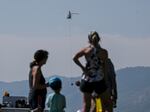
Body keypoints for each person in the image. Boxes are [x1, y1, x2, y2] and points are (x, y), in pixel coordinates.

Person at [73, 31, 108, 112]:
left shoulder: (86, 49)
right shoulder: (104, 52)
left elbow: (74, 58)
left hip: (87, 79)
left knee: (86, 105)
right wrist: (105, 80)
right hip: (99, 79)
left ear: (89, 40)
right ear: (99, 39)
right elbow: (105, 67)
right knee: (100, 104)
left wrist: (83, 69)